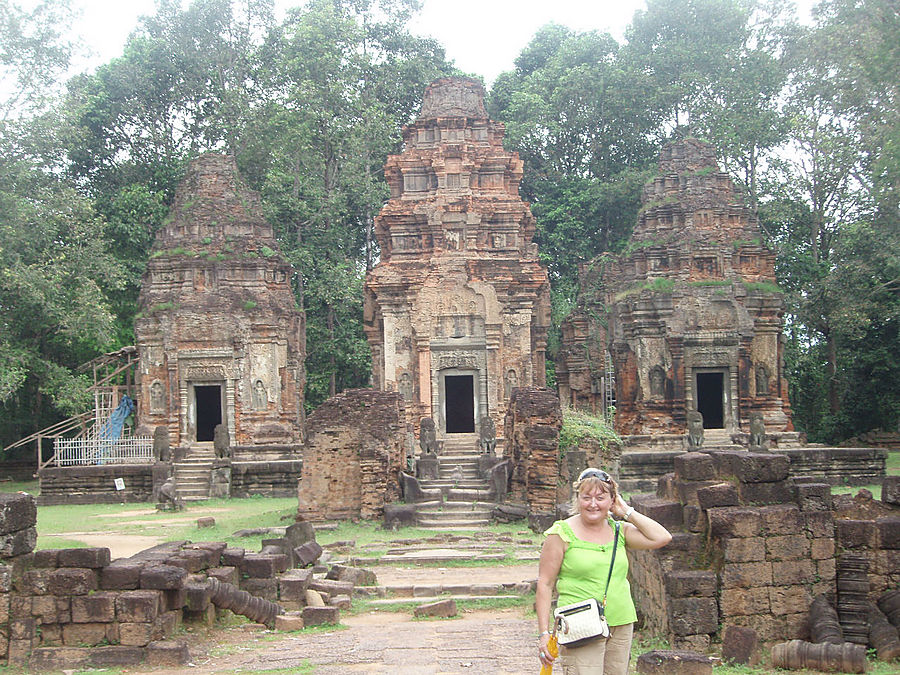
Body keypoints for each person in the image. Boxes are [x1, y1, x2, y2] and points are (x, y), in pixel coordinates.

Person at [537, 468, 672, 674]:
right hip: (579, 623)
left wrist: (626, 511)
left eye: (600, 498)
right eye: (586, 497)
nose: (593, 504)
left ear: (612, 500)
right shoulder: (561, 533)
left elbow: (662, 537)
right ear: (578, 499)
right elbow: (545, 584)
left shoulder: (619, 531)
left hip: (620, 620)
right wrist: (544, 633)